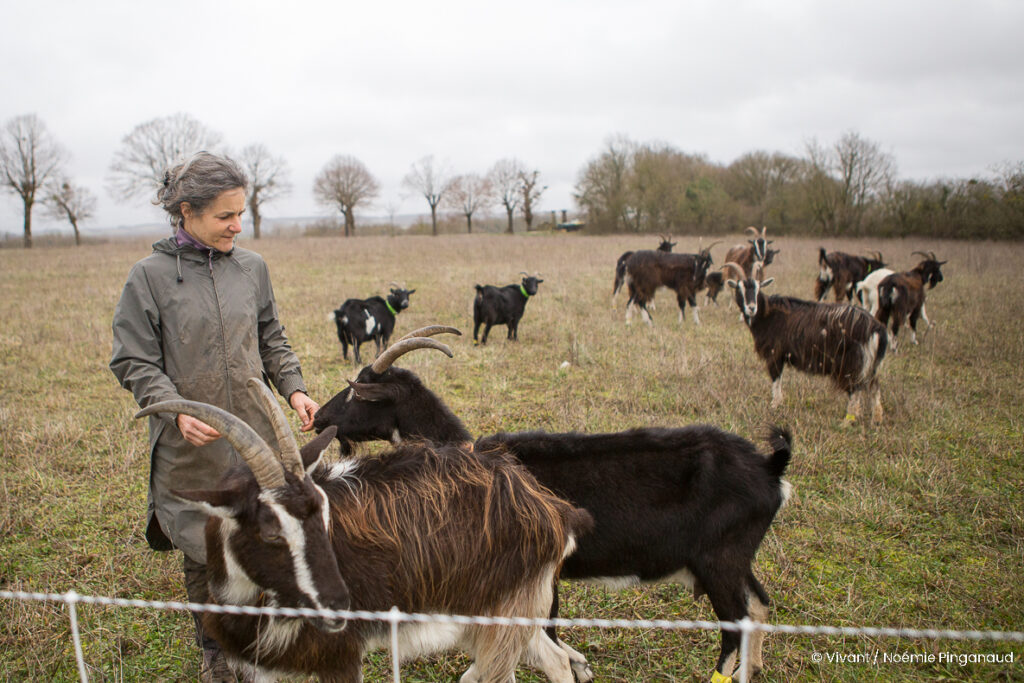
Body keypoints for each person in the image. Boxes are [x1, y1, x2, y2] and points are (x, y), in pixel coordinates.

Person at [110, 151, 319, 683]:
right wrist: (174, 411)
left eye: (241, 213)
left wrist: (294, 389)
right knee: (204, 547)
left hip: (256, 438)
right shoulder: (150, 278)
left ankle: (269, 635)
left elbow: (272, 339)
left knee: (262, 534)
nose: (237, 224)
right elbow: (134, 359)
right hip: (192, 445)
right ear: (187, 211)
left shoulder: (252, 268)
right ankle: (218, 651)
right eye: (226, 215)